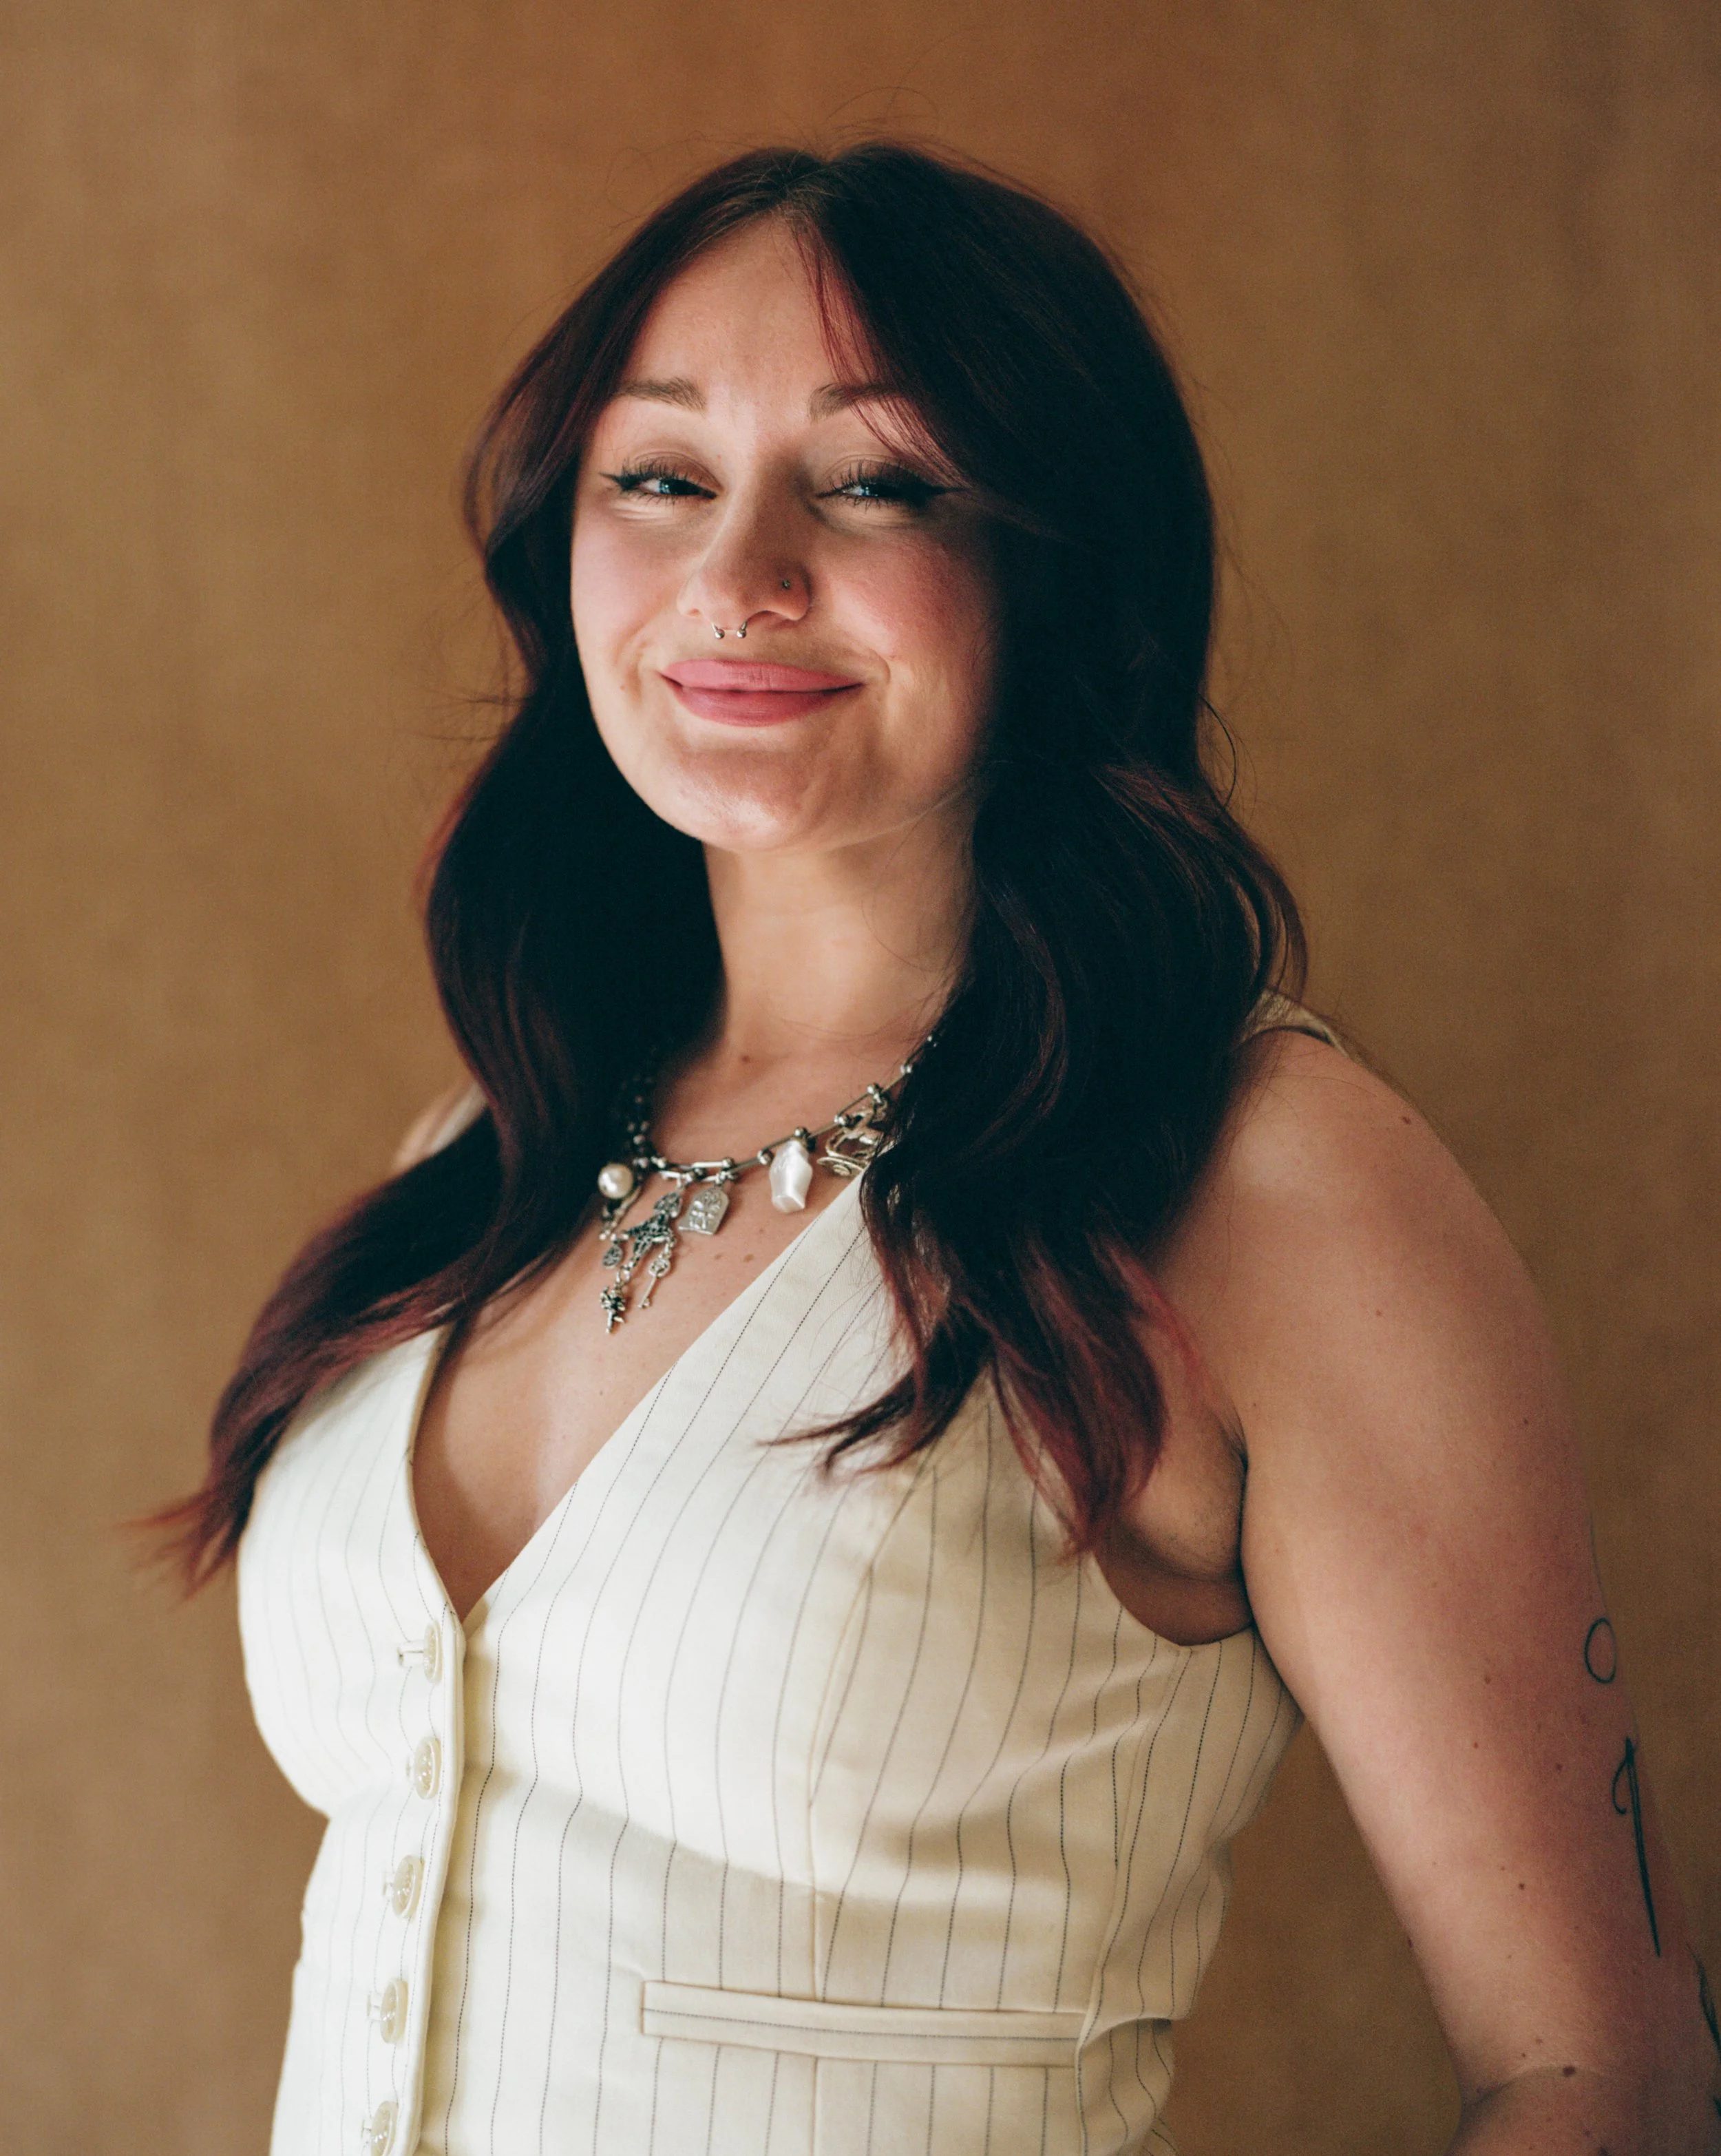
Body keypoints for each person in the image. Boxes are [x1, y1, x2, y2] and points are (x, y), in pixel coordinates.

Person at [160, 142, 1719, 2155]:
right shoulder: (490, 1153)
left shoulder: (1259, 1180)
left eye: (879, 483)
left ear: (1059, 570)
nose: (738, 575)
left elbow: (1604, 2072)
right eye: (660, 477)